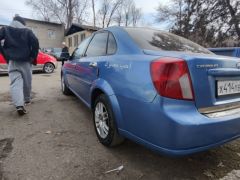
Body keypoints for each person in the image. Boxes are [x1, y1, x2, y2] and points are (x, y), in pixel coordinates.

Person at [0, 15, 39, 116]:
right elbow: (35, 43)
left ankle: (19, 105)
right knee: (27, 82)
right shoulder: (28, 31)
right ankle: (26, 100)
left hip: (12, 61)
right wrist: (32, 57)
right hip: (25, 61)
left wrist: (5, 54)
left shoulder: (5, 29)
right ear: (22, 23)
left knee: (15, 83)